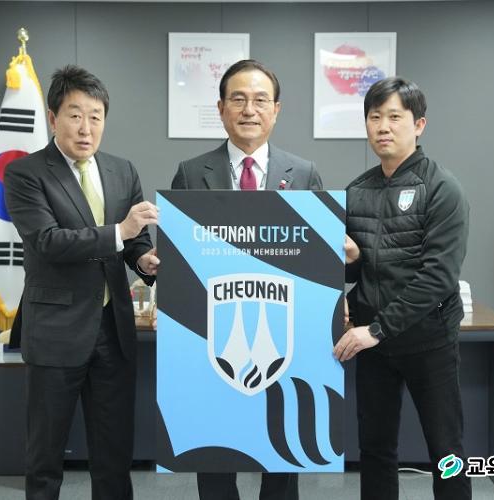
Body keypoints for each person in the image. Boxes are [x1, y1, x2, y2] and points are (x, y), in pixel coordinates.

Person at [4, 65, 160, 500]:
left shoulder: (122, 170)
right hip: (56, 331)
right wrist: (121, 232)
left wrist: (145, 260)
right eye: (75, 115)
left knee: (114, 454)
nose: (86, 128)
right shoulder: (25, 173)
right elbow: (48, 241)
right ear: (53, 118)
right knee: (45, 456)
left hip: (113, 329)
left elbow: (134, 242)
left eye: (95, 116)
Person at [171, 59, 322, 500]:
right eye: (237, 99)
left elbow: (317, 261)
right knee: (215, 447)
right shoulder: (191, 172)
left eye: (260, 100)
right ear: (221, 108)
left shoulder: (304, 173)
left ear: (276, 110)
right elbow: (180, 257)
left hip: (284, 326)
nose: (249, 109)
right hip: (212, 329)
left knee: (283, 442)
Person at [333, 76, 471, 500]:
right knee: (375, 449)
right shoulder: (357, 190)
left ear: (419, 124)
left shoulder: (442, 188)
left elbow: (437, 277)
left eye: (395, 117)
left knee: (447, 452)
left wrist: (376, 330)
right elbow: (361, 272)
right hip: (374, 345)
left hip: (427, 339)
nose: (383, 127)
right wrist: (351, 261)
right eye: (375, 117)